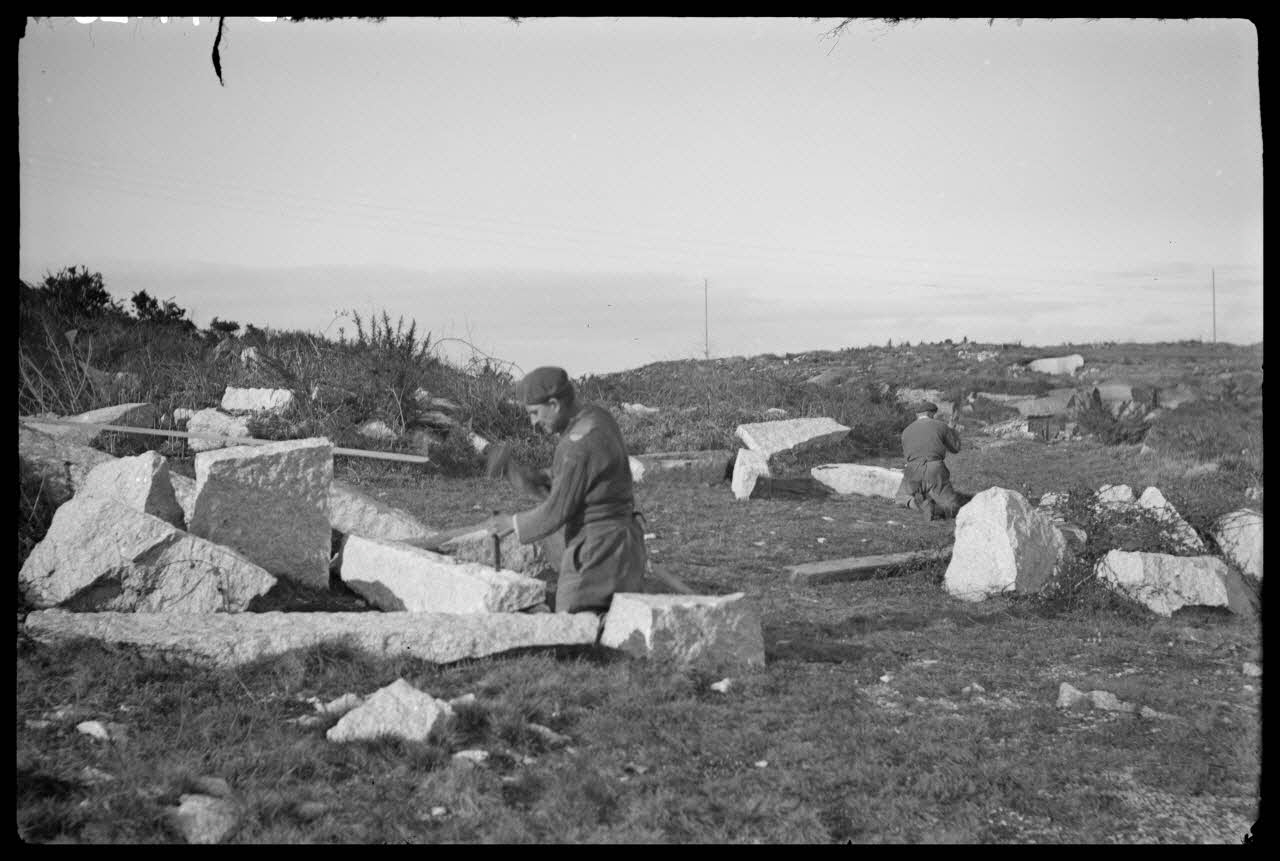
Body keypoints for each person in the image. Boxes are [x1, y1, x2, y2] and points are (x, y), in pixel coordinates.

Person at [480, 366, 647, 612]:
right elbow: (589, 476)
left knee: (571, 633)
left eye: (535, 412)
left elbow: (555, 513)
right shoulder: (598, 417)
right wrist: (538, 477)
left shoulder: (575, 447)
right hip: (626, 545)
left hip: (596, 554)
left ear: (555, 403)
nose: (533, 422)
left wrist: (511, 523)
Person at [894, 401, 963, 520]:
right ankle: (937, 509)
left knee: (901, 498)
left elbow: (907, 455)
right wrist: (952, 430)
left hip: (912, 469)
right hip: (935, 469)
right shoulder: (941, 426)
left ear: (918, 415)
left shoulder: (906, 431)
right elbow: (955, 448)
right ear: (931, 413)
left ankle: (919, 504)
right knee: (952, 506)